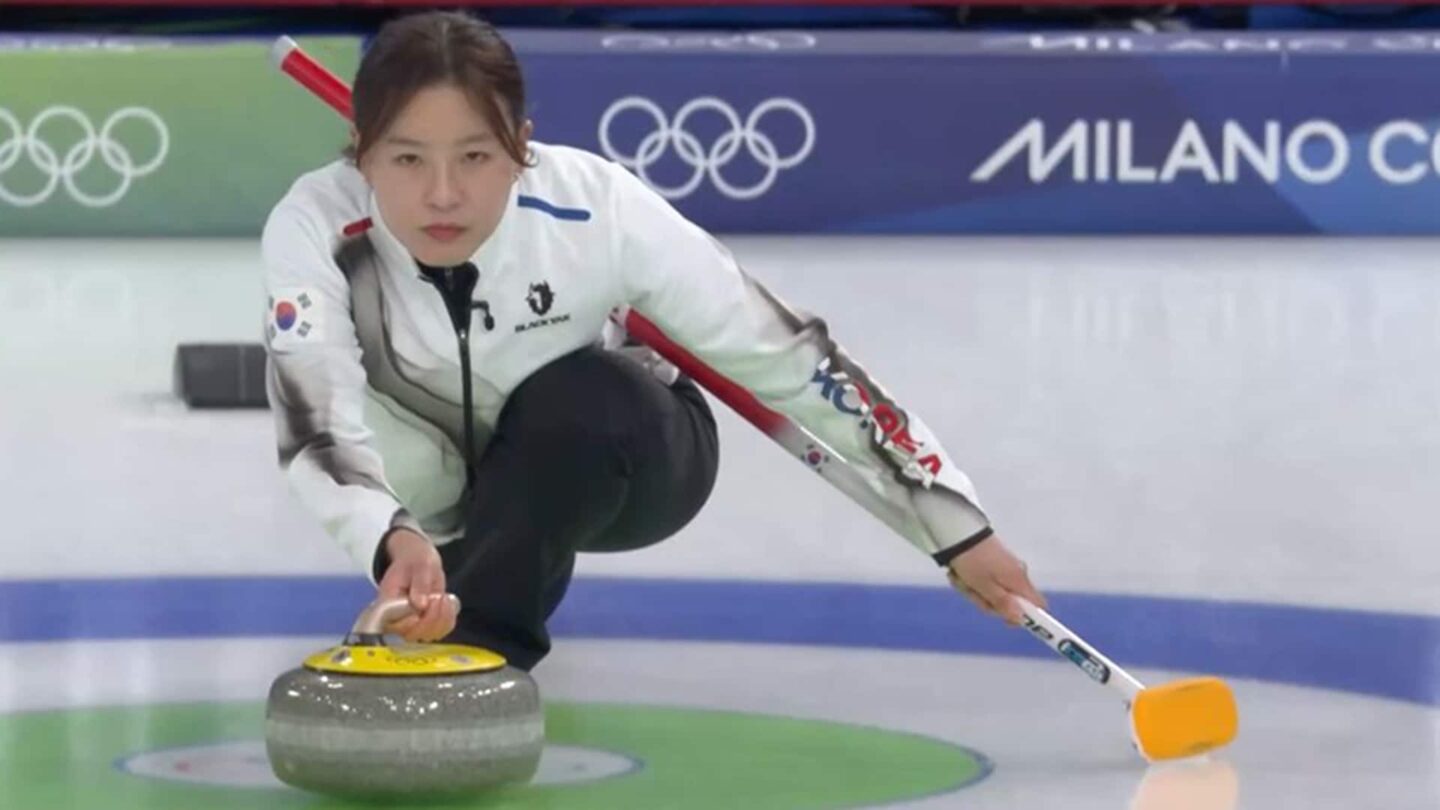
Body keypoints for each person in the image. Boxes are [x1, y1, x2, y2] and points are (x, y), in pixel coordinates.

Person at [262, 10, 1046, 670]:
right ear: (360, 152)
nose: (443, 194)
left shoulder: (595, 208)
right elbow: (319, 421)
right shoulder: (315, 228)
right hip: (443, 482)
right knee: (361, 398)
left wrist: (955, 521)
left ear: (521, 148)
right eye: (406, 159)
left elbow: (795, 359)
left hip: (624, 458)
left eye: (475, 156)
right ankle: (451, 564)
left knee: (578, 400)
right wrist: (386, 534)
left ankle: (478, 654)